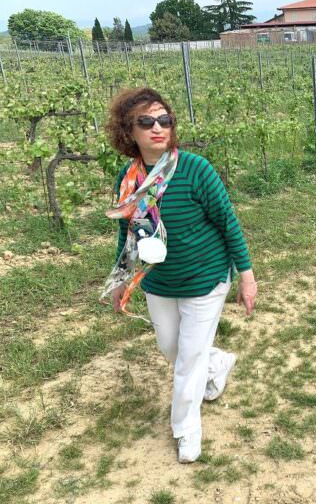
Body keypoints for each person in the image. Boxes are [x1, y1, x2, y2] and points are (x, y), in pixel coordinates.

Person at [101, 88, 257, 463]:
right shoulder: (130, 176)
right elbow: (128, 232)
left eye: (164, 119)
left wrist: (247, 276)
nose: (158, 127)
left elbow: (228, 222)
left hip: (205, 279)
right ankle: (217, 362)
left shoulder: (195, 169)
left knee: (187, 361)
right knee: (172, 348)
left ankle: (186, 429)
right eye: (146, 121)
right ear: (129, 131)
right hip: (158, 281)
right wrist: (120, 277)